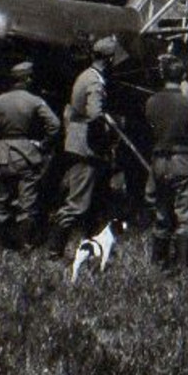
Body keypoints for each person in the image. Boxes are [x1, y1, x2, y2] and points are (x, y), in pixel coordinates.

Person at [50, 36, 117, 261]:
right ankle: (54, 250)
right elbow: (95, 114)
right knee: (77, 203)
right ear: (109, 58)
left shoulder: (85, 75)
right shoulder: (96, 82)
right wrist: (106, 138)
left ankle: (84, 246)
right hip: (87, 147)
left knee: (88, 198)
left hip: (77, 141)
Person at [0, 61, 62, 250]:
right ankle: (24, 243)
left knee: (1, 200)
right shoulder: (34, 101)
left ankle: (0, 244)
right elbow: (55, 126)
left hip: (3, 155)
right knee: (27, 201)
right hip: (26, 154)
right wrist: (43, 145)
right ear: (27, 79)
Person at [144, 55, 188, 270]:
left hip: (159, 161)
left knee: (162, 211)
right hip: (184, 160)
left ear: (163, 74)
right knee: (185, 215)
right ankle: (182, 266)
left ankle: (157, 261)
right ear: (183, 77)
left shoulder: (151, 102)